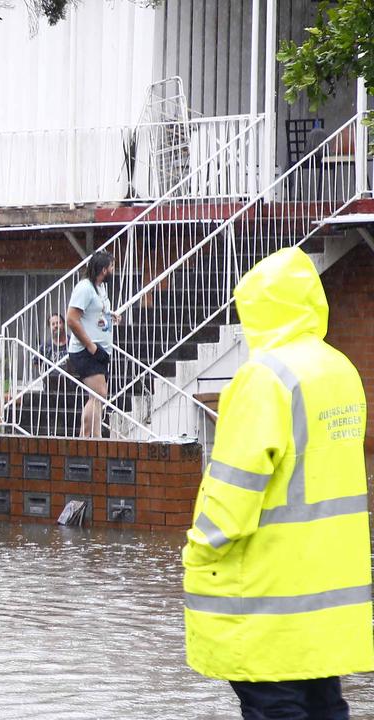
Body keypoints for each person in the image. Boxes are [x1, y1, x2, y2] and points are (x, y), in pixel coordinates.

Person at [183, 247, 371, 719]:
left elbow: (234, 489)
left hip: (268, 593)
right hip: (324, 593)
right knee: (325, 703)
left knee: (276, 707)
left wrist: (199, 549)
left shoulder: (264, 378)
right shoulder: (341, 370)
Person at [65, 251, 120, 438]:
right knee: (99, 394)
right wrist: (91, 346)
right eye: (112, 267)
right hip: (85, 350)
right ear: (103, 269)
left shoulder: (100, 288)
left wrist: (110, 315)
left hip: (100, 348)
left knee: (97, 397)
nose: (114, 270)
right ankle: (86, 437)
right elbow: (71, 320)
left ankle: (94, 438)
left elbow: (96, 310)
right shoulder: (85, 288)